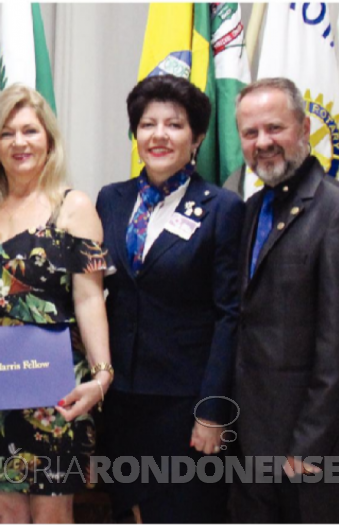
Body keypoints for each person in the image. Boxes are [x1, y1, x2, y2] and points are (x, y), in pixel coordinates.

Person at [0, 84, 112, 523]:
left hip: (60, 390)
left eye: (30, 131)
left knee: (52, 515)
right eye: (7, 133)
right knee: (4, 513)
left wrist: (103, 375)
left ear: (48, 140)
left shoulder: (73, 207)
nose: (20, 142)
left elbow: (90, 300)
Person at [230, 77, 339, 523]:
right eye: (250, 133)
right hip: (252, 445)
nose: (263, 142)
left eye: (274, 128)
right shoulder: (251, 209)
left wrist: (307, 449)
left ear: (303, 128)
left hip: (313, 452)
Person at [94, 74, 244, 523]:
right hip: (120, 399)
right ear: (135, 134)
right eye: (147, 124)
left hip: (184, 406)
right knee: (128, 513)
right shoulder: (111, 200)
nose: (159, 135)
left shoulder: (221, 208)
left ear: (197, 138)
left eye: (174, 125)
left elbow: (229, 315)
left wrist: (214, 411)